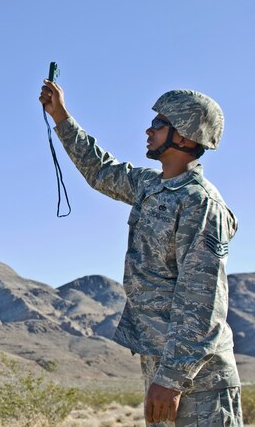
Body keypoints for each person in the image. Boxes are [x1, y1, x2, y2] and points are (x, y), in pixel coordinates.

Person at [39, 79, 242, 426]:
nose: (148, 129)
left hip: (199, 382)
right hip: (163, 370)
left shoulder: (201, 204)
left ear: (186, 136)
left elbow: (202, 300)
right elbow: (100, 170)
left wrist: (172, 380)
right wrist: (61, 116)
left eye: (159, 123)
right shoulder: (151, 187)